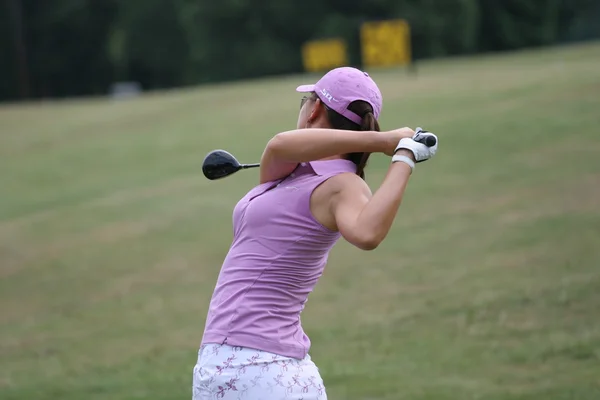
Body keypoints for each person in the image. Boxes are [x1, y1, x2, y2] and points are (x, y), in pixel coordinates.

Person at [192, 67, 438, 399]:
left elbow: (367, 234)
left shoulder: (343, 185)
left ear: (315, 109)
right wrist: (384, 141)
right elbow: (279, 145)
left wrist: (404, 156)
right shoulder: (290, 169)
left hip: (259, 368)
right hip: (242, 365)